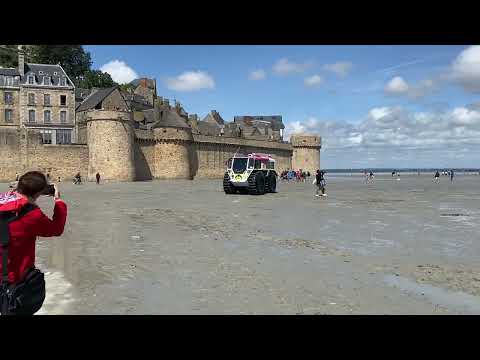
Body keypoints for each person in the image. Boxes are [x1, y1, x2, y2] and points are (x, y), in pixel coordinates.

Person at [0, 171, 67, 315]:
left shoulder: (2, 199)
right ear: (38, 193)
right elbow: (56, 229)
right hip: (15, 280)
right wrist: (58, 201)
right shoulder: (32, 215)